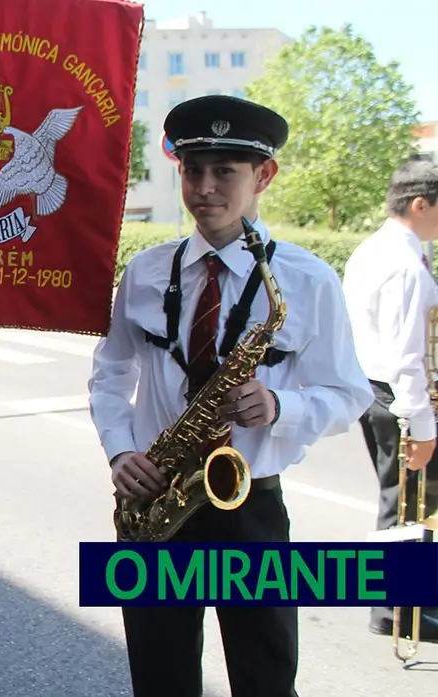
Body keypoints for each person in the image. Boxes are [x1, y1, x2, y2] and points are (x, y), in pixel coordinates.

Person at [88, 95, 373, 697]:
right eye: (194, 170)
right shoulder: (143, 272)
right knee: (160, 680)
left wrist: (281, 407)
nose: (205, 188)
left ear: (263, 176)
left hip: (248, 507)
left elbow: (347, 393)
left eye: (226, 172)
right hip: (155, 499)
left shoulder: (306, 279)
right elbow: (110, 372)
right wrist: (120, 453)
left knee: (265, 680)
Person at [343, 158, 438, 642]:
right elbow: (406, 357)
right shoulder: (404, 265)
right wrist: (421, 426)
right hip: (394, 394)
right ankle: (398, 608)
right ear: (420, 204)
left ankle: (398, 604)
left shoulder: (373, 248)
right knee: (407, 504)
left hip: (373, 388)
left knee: (400, 500)